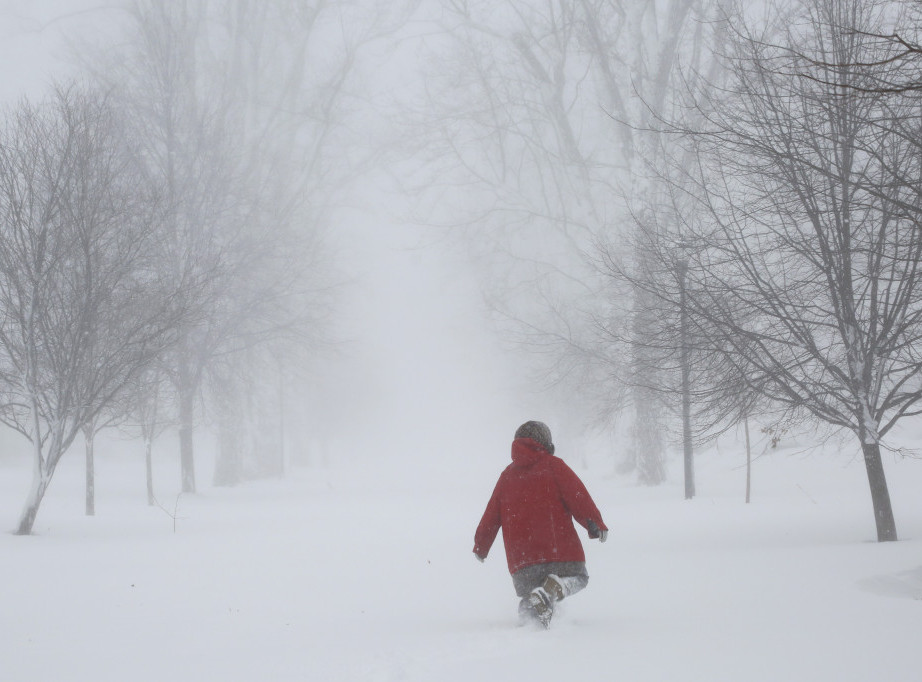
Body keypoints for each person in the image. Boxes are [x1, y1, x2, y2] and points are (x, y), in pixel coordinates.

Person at [473, 420, 608, 628]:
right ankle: (556, 588)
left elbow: (491, 515)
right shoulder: (554, 466)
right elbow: (577, 496)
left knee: (531, 594)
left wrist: (481, 546)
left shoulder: (506, 476)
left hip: (522, 561)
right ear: (545, 442)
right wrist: (594, 522)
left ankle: (531, 621)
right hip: (559, 551)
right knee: (579, 578)